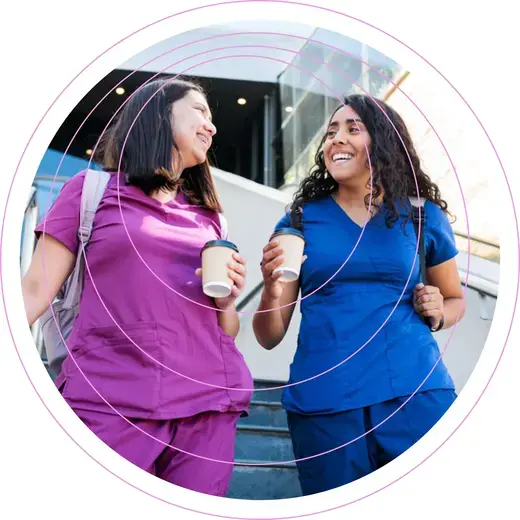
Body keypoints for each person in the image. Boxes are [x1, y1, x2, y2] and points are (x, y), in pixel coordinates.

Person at [22, 78, 253, 497]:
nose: (212, 126)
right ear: (160, 114)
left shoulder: (210, 218)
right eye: (200, 111)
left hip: (208, 406)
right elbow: (34, 290)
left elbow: (227, 329)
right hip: (110, 398)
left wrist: (227, 300)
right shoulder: (89, 192)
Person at [252, 94, 465, 495]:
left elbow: (455, 300)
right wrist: (269, 288)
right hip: (324, 404)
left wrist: (439, 310)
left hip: (415, 393)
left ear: (384, 142)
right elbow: (268, 335)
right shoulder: (300, 220)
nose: (336, 139)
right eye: (331, 132)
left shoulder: (422, 216)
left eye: (353, 129)